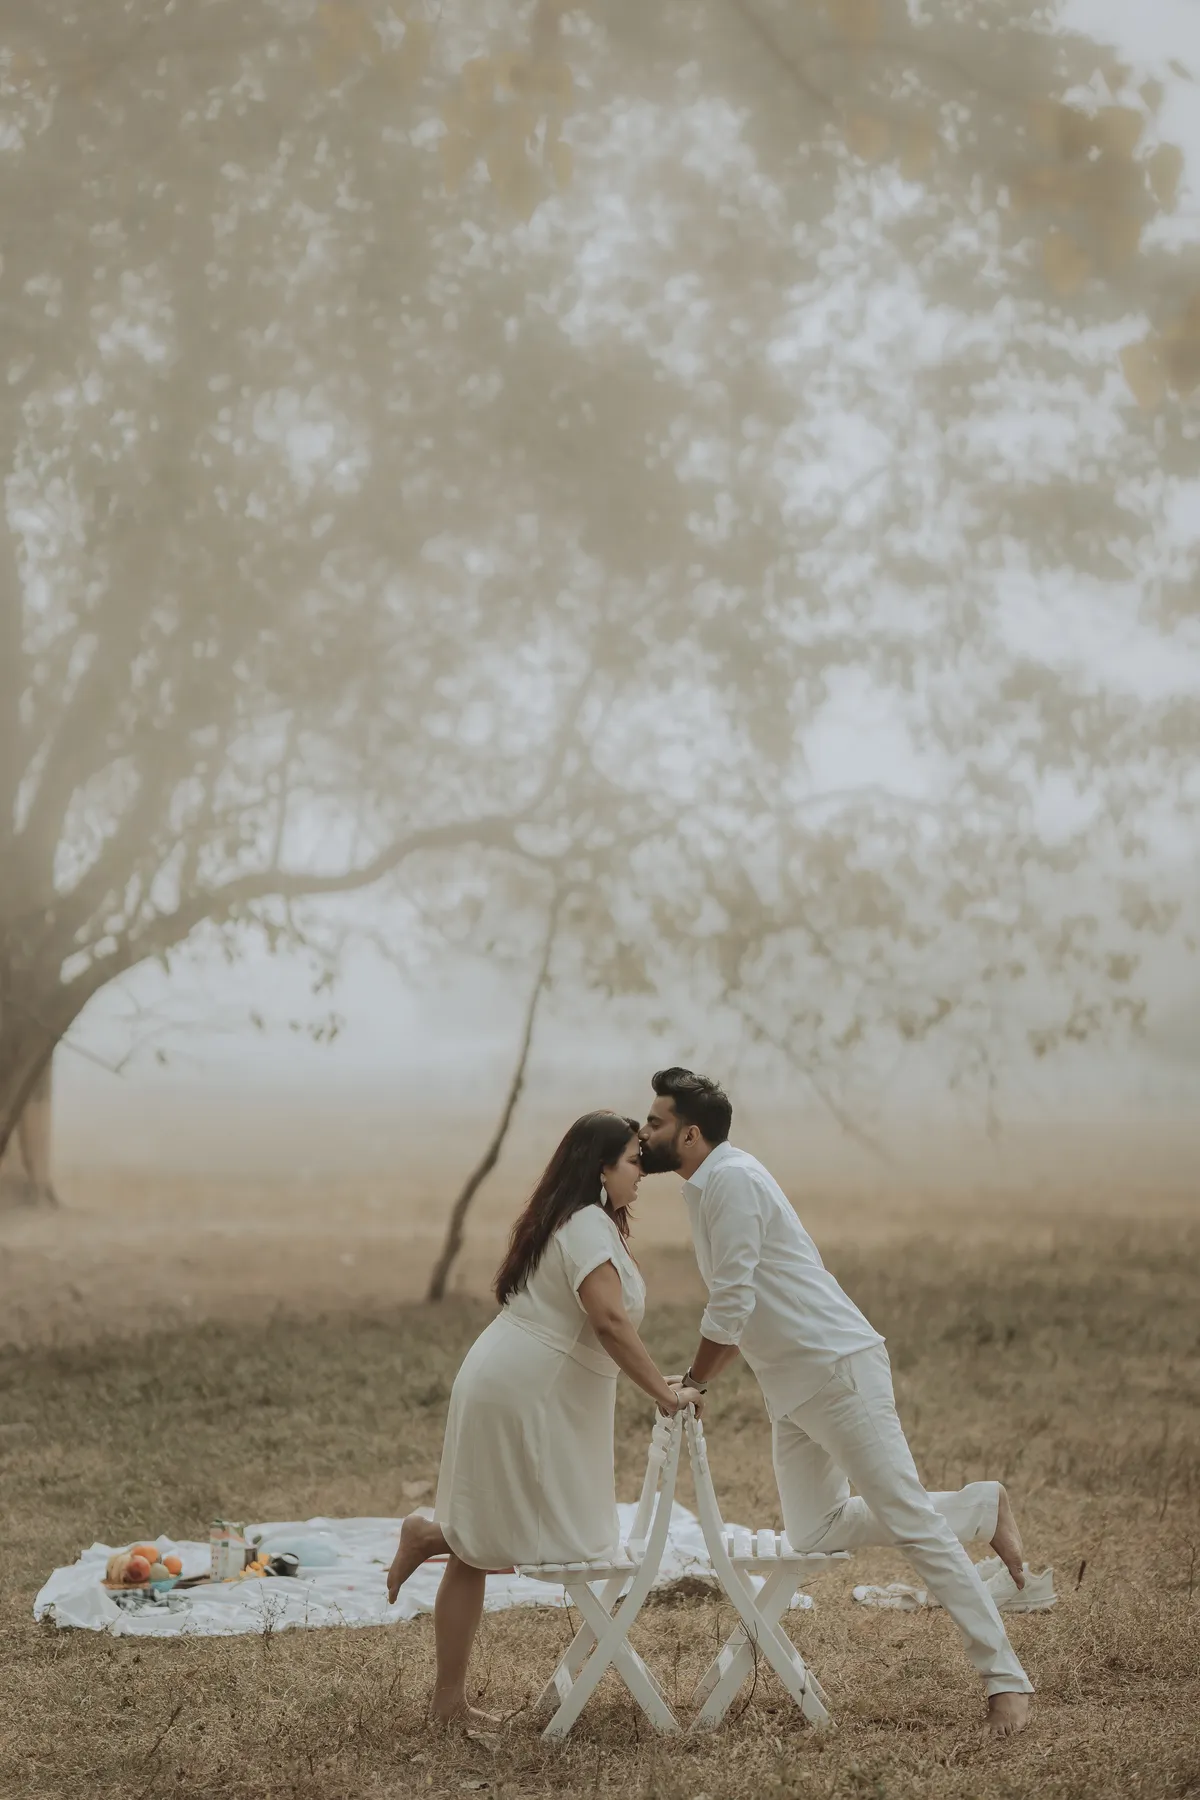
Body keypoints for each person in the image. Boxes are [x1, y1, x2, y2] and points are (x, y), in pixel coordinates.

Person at [639, 1067, 1035, 1740]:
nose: (643, 1132)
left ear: (690, 1133)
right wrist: (699, 1373)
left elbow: (731, 1300)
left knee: (911, 1523)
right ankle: (977, 1507)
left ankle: (1006, 1680)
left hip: (834, 1370)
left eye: (655, 1122)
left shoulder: (731, 1181)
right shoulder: (708, 1185)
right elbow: (747, 1304)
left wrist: (697, 1381)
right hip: (791, 1387)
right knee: (814, 1531)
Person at [386, 1109, 704, 1729]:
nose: (644, 1172)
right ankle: (438, 1567)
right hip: (519, 1392)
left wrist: (655, 1379)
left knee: (503, 1540)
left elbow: (601, 1328)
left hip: (521, 1383)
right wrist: (662, 1397)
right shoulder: (585, 1224)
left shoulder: (585, 1222)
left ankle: (433, 1543)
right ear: (603, 1168)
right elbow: (608, 1323)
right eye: (635, 1160)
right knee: (552, 1541)